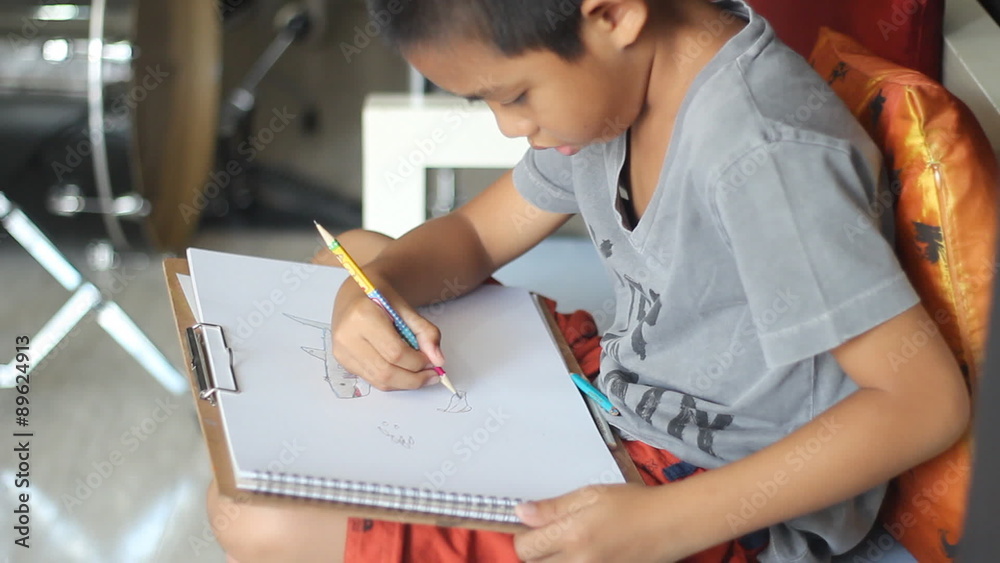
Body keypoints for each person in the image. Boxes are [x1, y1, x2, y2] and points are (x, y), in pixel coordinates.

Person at [206, 0, 971, 561]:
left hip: (710, 500)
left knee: (254, 519)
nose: (509, 126)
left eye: (514, 95)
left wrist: (661, 526)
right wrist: (368, 288)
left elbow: (925, 402)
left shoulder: (763, 156)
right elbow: (474, 235)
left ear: (613, 14)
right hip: (611, 401)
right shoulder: (620, 92)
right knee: (354, 255)